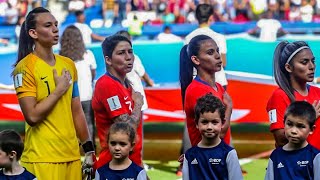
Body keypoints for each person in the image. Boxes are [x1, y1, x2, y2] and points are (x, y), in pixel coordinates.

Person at [11, 7, 95, 179]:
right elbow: (32, 117)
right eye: (48, 25)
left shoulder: (68, 64)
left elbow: (76, 110)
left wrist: (89, 150)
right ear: (33, 33)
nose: (55, 29)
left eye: (56, 24)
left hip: (71, 157)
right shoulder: (24, 68)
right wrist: (58, 91)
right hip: (41, 160)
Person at [92, 35, 144, 169]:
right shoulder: (107, 85)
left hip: (130, 164)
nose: (128, 57)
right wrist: (138, 104)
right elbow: (128, 129)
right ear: (108, 60)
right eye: (121, 53)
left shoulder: (126, 84)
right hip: (114, 167)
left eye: (130, 51)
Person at [180, 34, 233, 151]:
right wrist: (229, 106)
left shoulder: (218, 86)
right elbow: (217, 132)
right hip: (207, 161)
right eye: (210, 53)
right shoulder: (197, 90)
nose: (218, 56)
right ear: (196, 60)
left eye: (217, 51)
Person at [267, 41, 320, 150]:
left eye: (312, 61)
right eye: (304, 62)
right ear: (289, 67)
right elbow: (281, 139)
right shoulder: (280, 96)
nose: (312, 66)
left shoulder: (318, 92)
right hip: (294, 164)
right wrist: (309, 118)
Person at [182, 93, 242, 180]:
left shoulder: (229, 154)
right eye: (204, 122)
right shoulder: (189, 155)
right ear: (196, 123)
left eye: (214, 122)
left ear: (223, 123)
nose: (209, 127)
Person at [60, 25, 97, 145]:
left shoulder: (60, 58)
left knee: (68, 127)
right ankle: (90, 155)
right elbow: (93, 74)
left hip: (68, 98)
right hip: (86, 96)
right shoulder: (88, 55)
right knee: (89, 125)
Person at [265, 101, 320, 180]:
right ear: (284, 123)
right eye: (289, 124)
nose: (293, 131)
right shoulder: (275, 156)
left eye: (300, 126)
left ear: (311, 129)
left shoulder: (315, 156)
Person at [185, 3, 228, 89]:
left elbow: (187, 65)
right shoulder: (219, 37)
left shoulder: (188, 38)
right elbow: (223, 63)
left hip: (197, 85)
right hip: (218, 83)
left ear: (196, 17)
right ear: (211, 17)